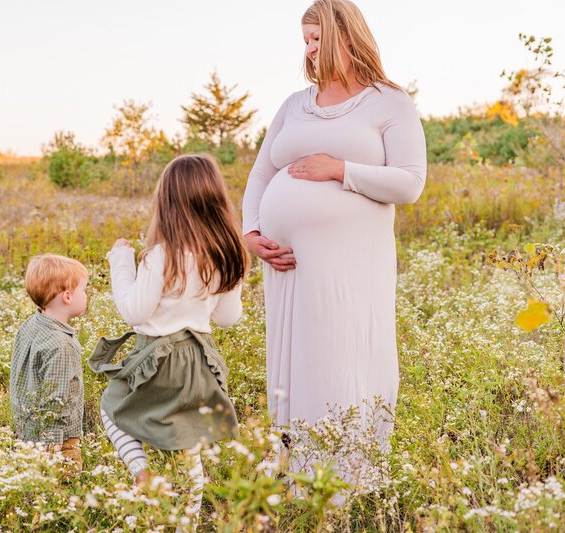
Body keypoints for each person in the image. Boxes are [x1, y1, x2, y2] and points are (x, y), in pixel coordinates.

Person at [241, 0, 427, 483]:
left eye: (316, 38)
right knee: (292, 357)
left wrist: (340, 170)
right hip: (286, 263)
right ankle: (292, 469)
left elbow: (409, 183)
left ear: (347, 37)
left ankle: (348, 474)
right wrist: (252, 232)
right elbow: (261, 174)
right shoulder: (293, 105)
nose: (309, 49)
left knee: (340, 354)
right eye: (304, 40)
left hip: (349, 261)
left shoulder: (389, 101)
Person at [89, 153, 249, 520]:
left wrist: (120, 262)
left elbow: (134, 311)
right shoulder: (228, 254)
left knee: (112, 409)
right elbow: (227, 318)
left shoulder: (163, 255)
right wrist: (232, 281)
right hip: (200, 361)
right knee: (187, 435)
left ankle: (141, 472)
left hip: (158, 358)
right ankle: (189, 520)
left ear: (167, 202)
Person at [10, 254, 88, 474]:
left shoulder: (31, 325)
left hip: (27, 430)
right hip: (58, 440)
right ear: (67, 297)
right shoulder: (61, 344)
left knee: (32, 489)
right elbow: (57, 397)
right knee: (60, 494)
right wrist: (51, 441)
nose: (86, 295)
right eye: (83, 290)